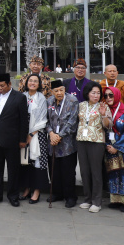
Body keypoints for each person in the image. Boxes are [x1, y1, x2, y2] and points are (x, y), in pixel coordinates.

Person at [0, 73, 29, 207]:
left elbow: (24, 120)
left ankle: (13, 196)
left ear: (9, 84)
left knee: (13, 170)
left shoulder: (19, 98)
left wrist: (23, 139)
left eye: (2, 86)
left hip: (12, 141)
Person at [76, 82, 112, 212]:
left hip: (97, 141)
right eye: (93, 93)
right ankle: (87, 199)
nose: (96, 95)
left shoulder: (103, 106)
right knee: (84, 171)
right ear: (87, 93)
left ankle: (97, 201)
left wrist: (103, 115)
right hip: (81, 140)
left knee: (96, 172)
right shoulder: (81, 105)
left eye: (98, 93)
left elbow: (108, 126)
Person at [47, 79, 79, 208]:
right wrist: (51, 133)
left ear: (64, 90)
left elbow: (72, 122)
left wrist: (59, 136)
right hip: (52, 142)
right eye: (56, 91)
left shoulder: (72, 101)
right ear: (52, 91)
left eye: (61, 90)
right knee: (54, 170)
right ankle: (56, 193)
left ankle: (70, 196)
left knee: (68, 172)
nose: (59, 93)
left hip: (67, 143)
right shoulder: (49, 101)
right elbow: (46, 120)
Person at [19, 74, 49, 204]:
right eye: (30, 80)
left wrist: (31, 134)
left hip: (37, 135)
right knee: (25, 162)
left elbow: (43, 118)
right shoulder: (22, 96)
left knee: (37, 162)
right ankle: (26, 189)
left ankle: (36, 191)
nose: (32, 83)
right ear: (26, 82)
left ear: (39, 84)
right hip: (22, 133)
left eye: (35, 81)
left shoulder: (41, 97)